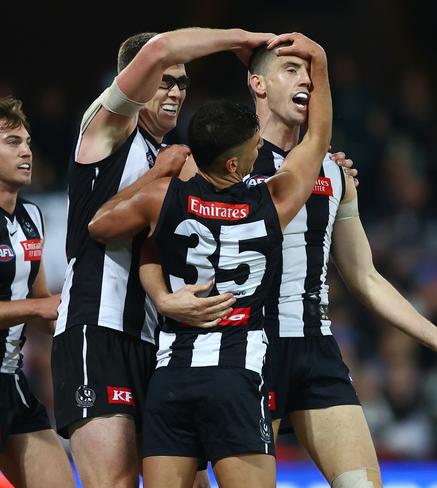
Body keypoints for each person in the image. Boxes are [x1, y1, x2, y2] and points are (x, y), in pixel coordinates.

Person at [188, 35, 437, 488]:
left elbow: (365, 277)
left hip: (315, 350)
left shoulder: (334, 172)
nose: (306, 81)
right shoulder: (223, 164)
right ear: (257, 84)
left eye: (310, 72)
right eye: (291, 70)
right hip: (246, 350)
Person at [87, 32, 332, 488]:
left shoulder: (166, 199)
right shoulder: (272, 203)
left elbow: (98, 224)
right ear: (237, 166)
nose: (263, 152)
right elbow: (318, 138)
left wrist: (157, 175)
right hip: (236, 376)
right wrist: (317, 60)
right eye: (256, 148)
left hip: (171, 377)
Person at [51, 27, 274, 488]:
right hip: (100, 324)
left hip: (162, 338)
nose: (175, 91)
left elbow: (245, 172)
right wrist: (237, 39)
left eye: (183, 83)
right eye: (165, 81)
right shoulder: (107, 129)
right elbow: (158, 49)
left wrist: (328, 169)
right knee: (114, 483)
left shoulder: (178, 156)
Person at [0, 96, 75, 487]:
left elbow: (43, 304)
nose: (26, 150)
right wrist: (40, 306)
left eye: (27, 141)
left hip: (11, 380)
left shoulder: (31, 216)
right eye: (12, 141)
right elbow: (39, 304)